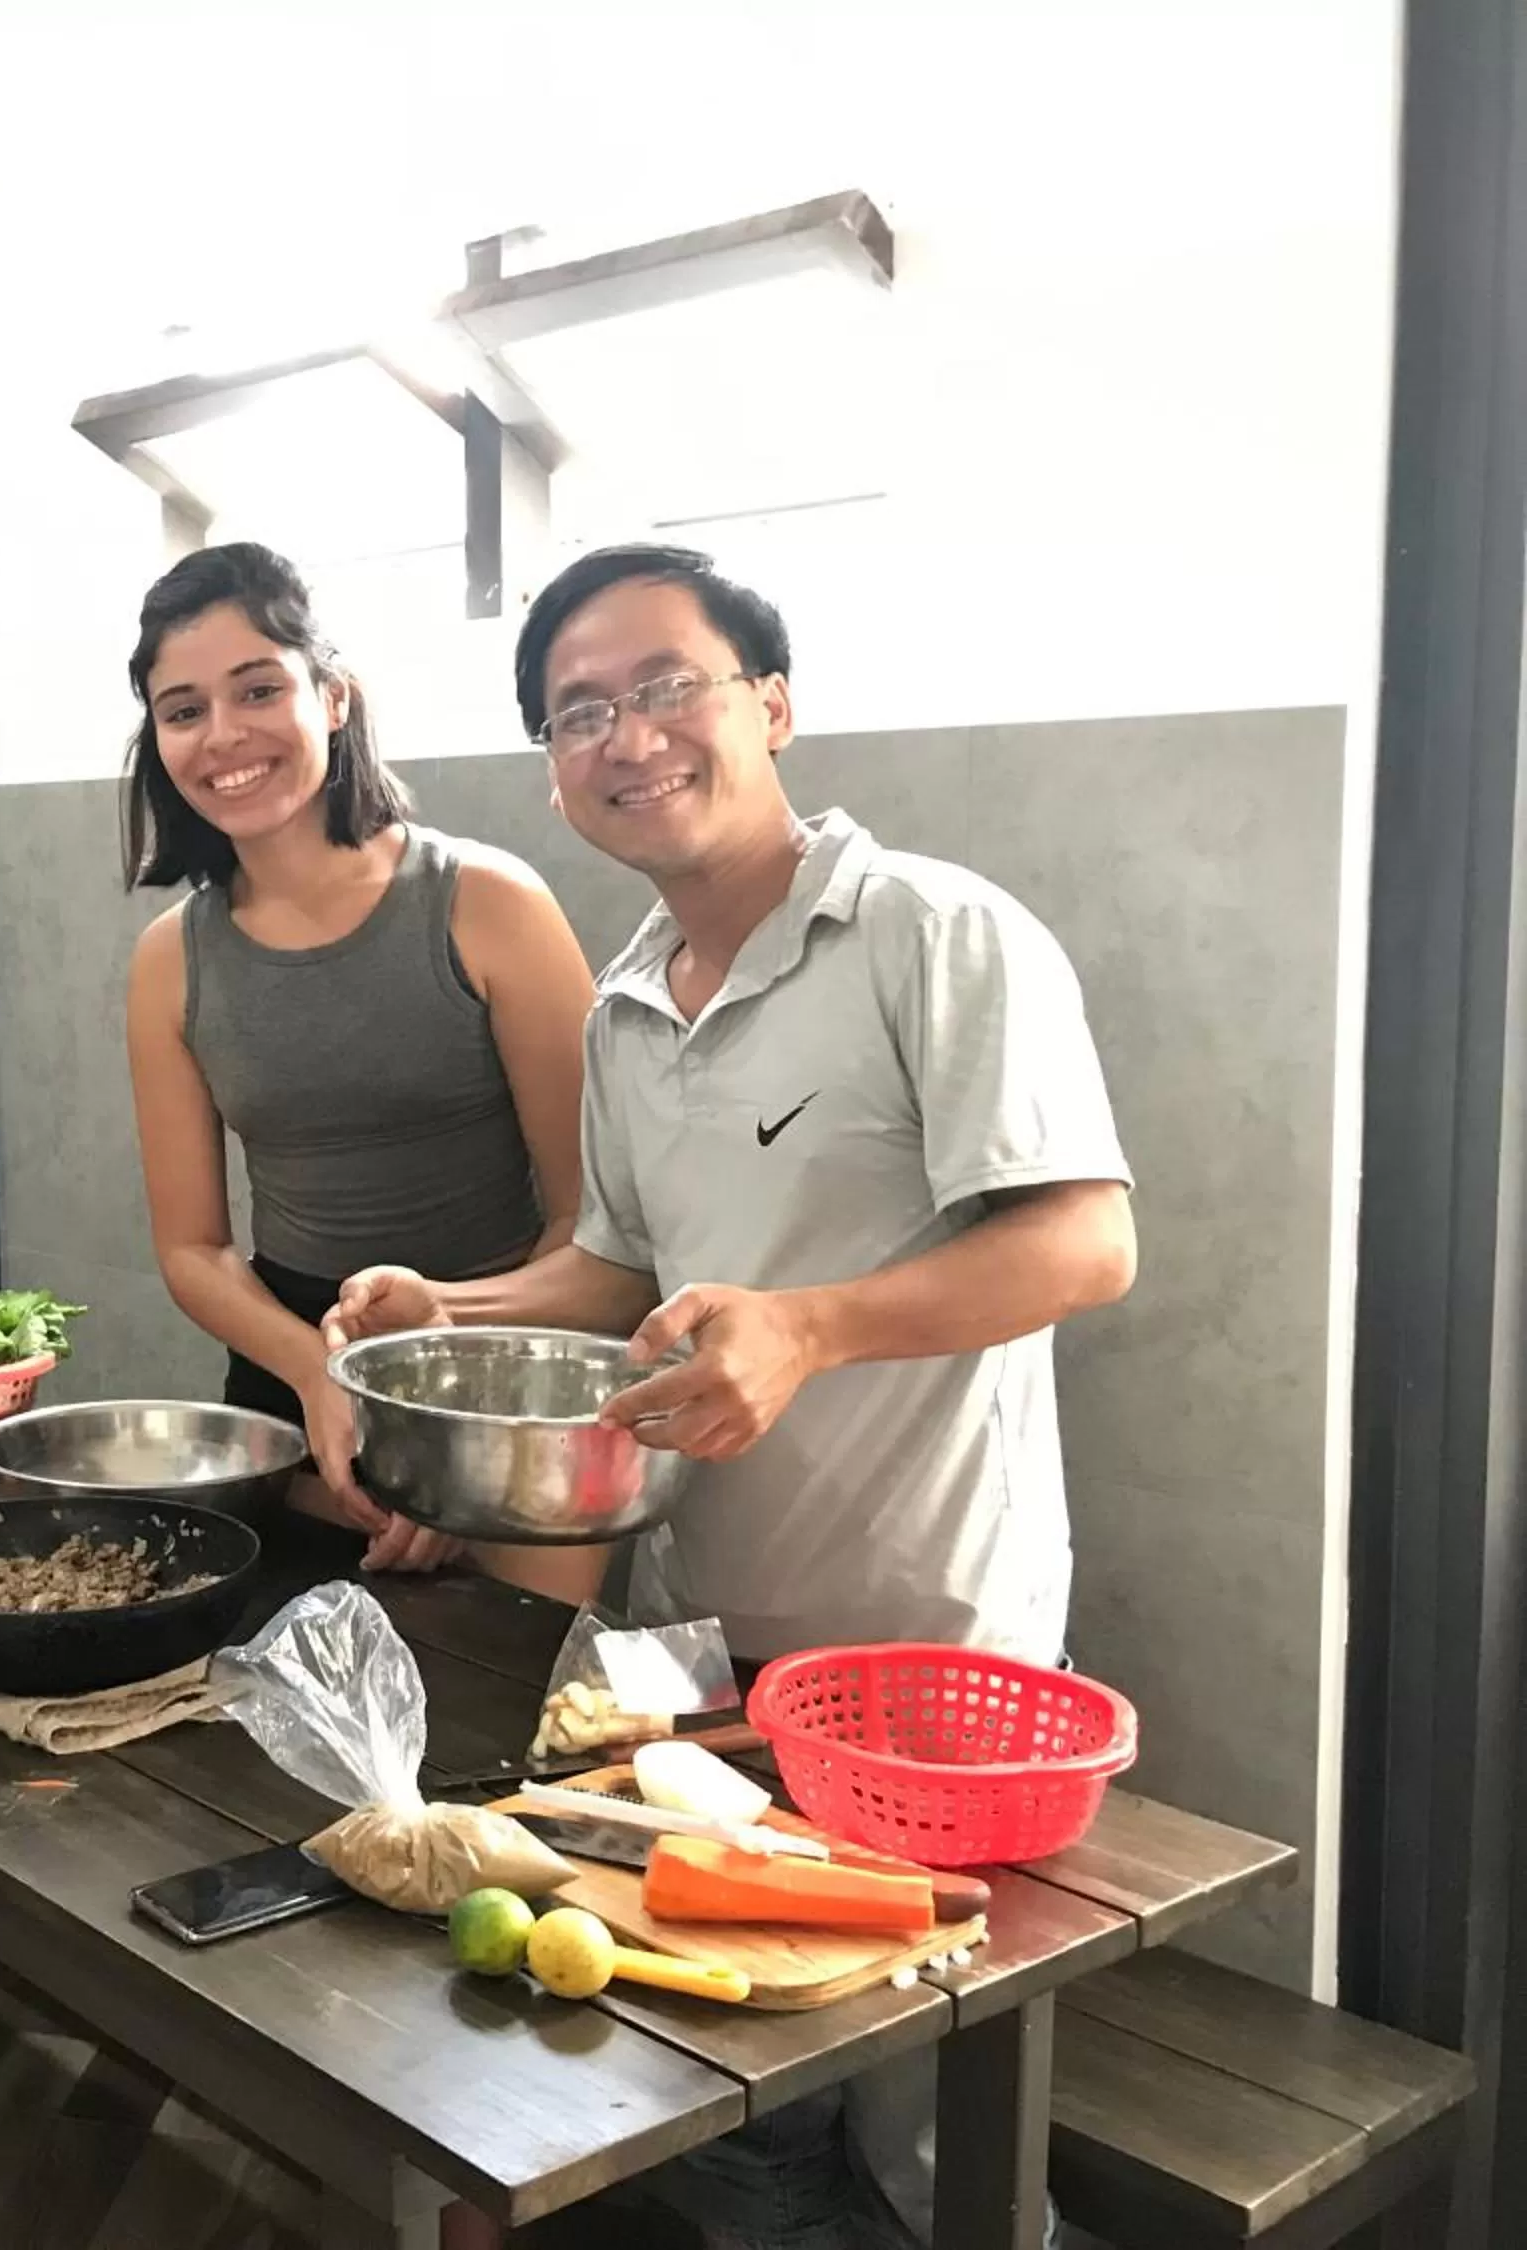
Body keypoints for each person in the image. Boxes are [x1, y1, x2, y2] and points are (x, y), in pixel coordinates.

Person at [332, 543, 1135, 2249]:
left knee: (931, 2130)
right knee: (721, 2081)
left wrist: (814, 1328)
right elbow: (621, 1272)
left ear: (771, 703)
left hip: (931, 1644)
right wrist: (450, 1303)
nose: (627, 737)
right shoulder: (627, 1004)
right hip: (691, 1640)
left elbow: (1084, 1243)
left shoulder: (935, 930)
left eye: (667, 686)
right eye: (577, 713)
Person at [120, 541, 600, 1579]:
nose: (223, 736)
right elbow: (194, 1249)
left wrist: (443, 1406)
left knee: (514, 1708)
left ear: (333, 698)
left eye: (259, 688)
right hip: (293, 1381)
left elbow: (591, 1225)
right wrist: (314, 1371)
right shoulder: (171, 963)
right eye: (183, 708)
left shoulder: (487, 903)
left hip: (498, 1363)